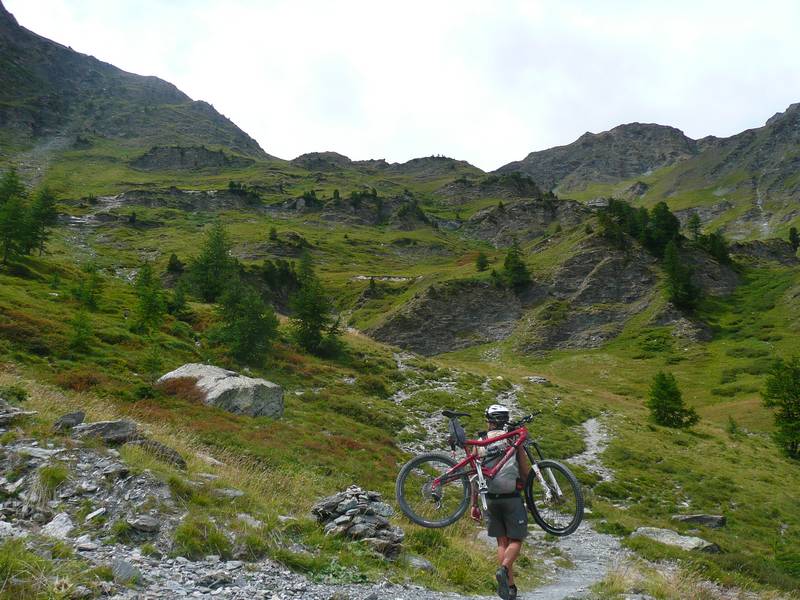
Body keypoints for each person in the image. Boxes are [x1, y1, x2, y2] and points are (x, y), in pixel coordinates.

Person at [472, 404, 531, 600]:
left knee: (501, 542)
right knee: (517, 540)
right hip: (511, 496)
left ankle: (511, 588)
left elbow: (475, 476)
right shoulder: (513, 440)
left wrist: (474, 505)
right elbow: (524, 470)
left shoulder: (480, 442)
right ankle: (504, 569)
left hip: (489, 498)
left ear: (489, 420)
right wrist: (527, 486)